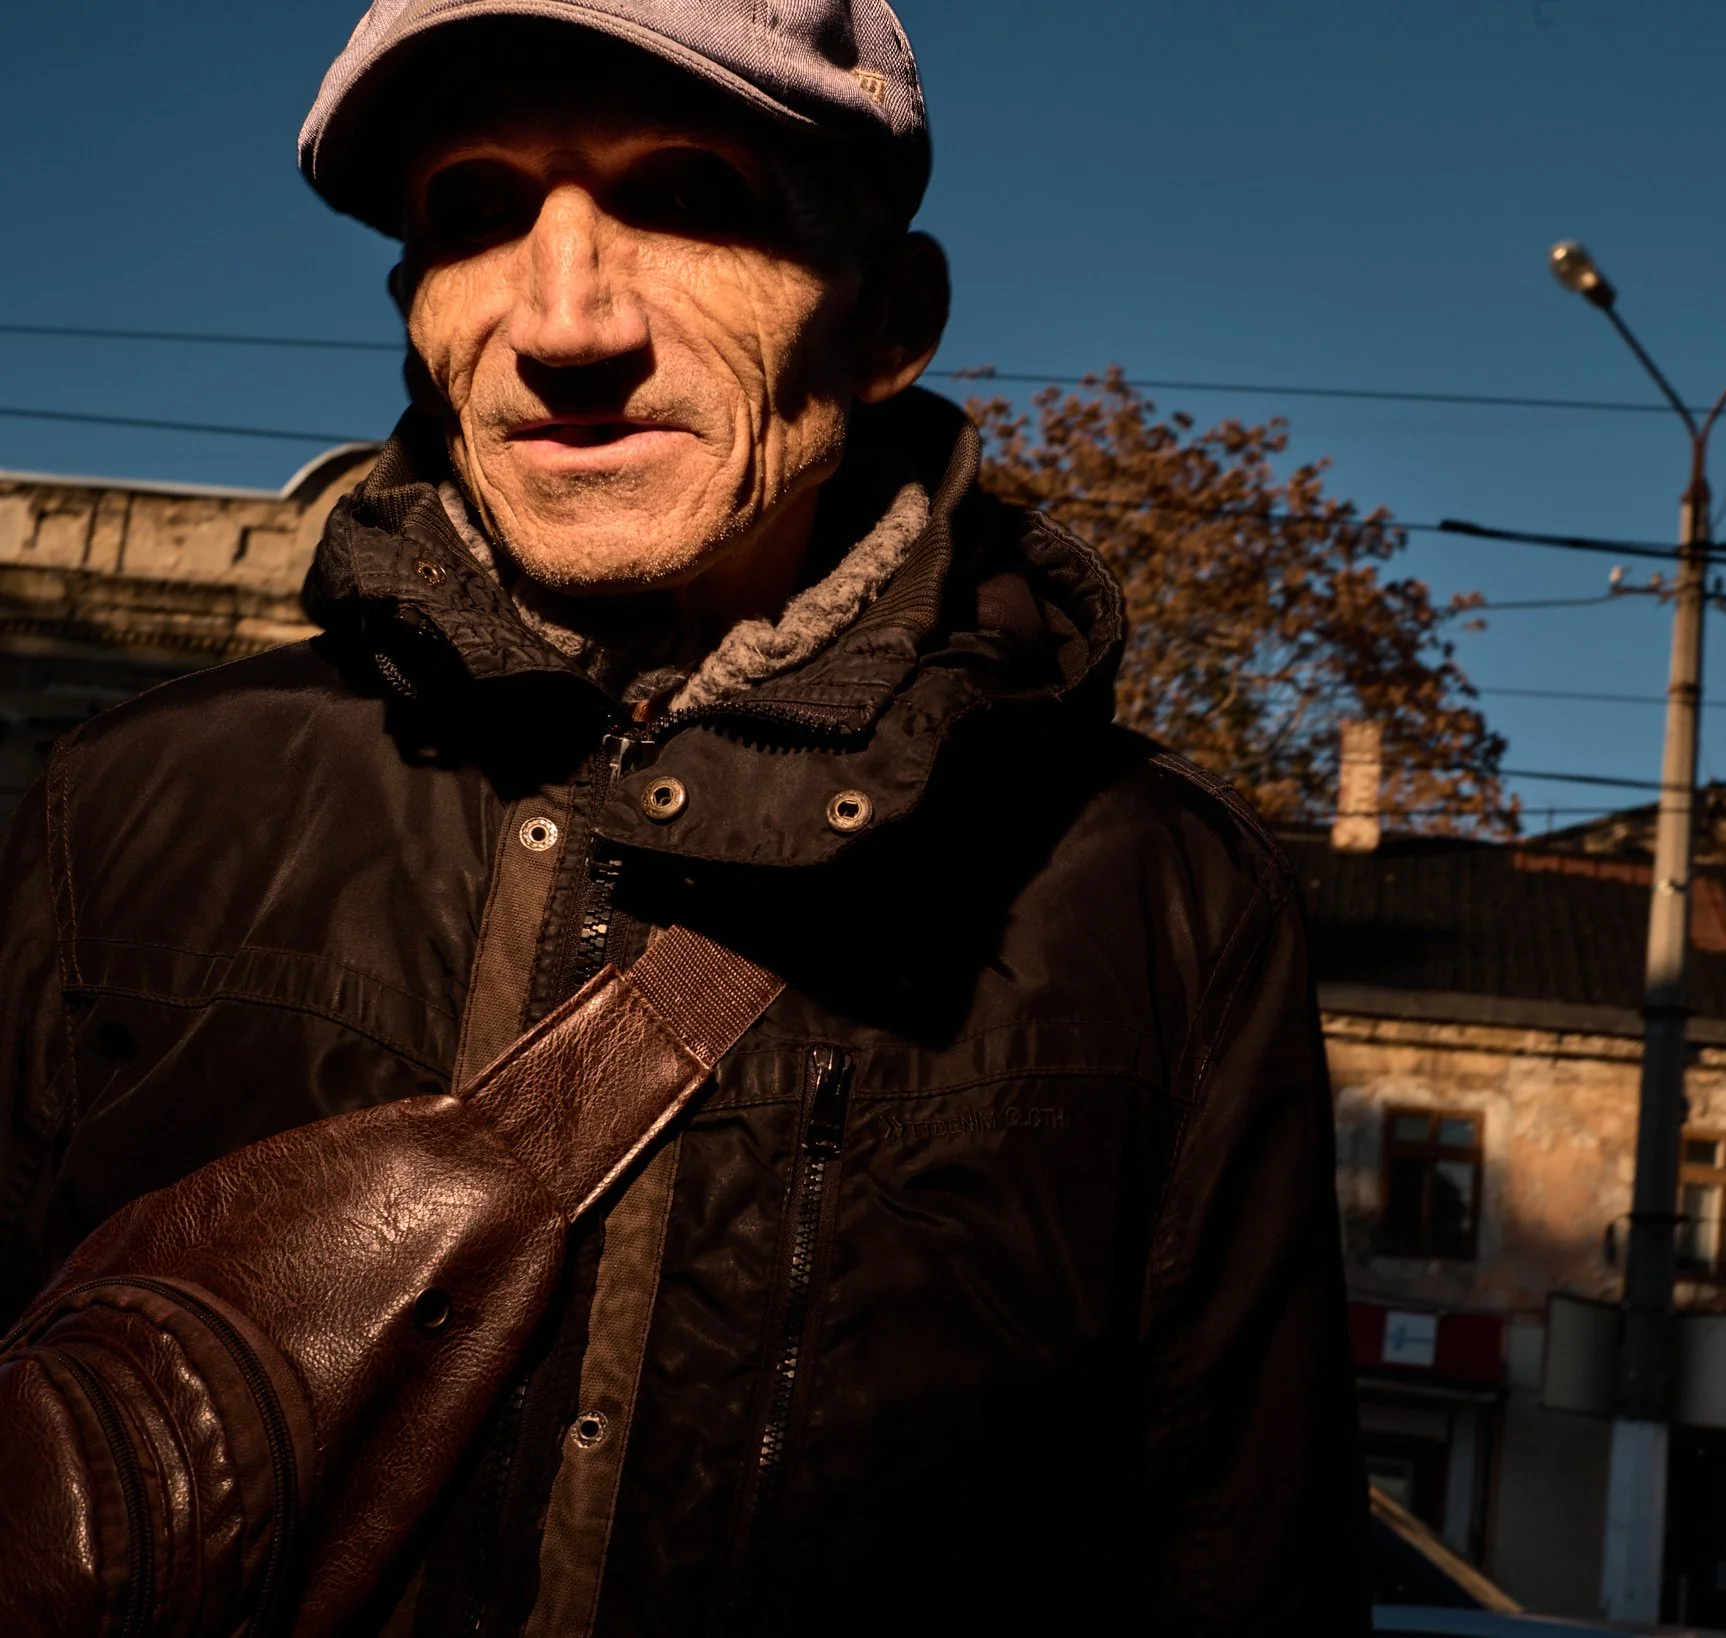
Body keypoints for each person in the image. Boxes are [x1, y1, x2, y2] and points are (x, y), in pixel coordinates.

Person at [0, 2, 1362, 1630]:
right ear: (413, 312)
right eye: (476, 212)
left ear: (887, 321)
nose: (563, 324)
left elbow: (1244, 1566)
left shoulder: (1155, 898)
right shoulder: (130, 806)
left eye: (692, 196)